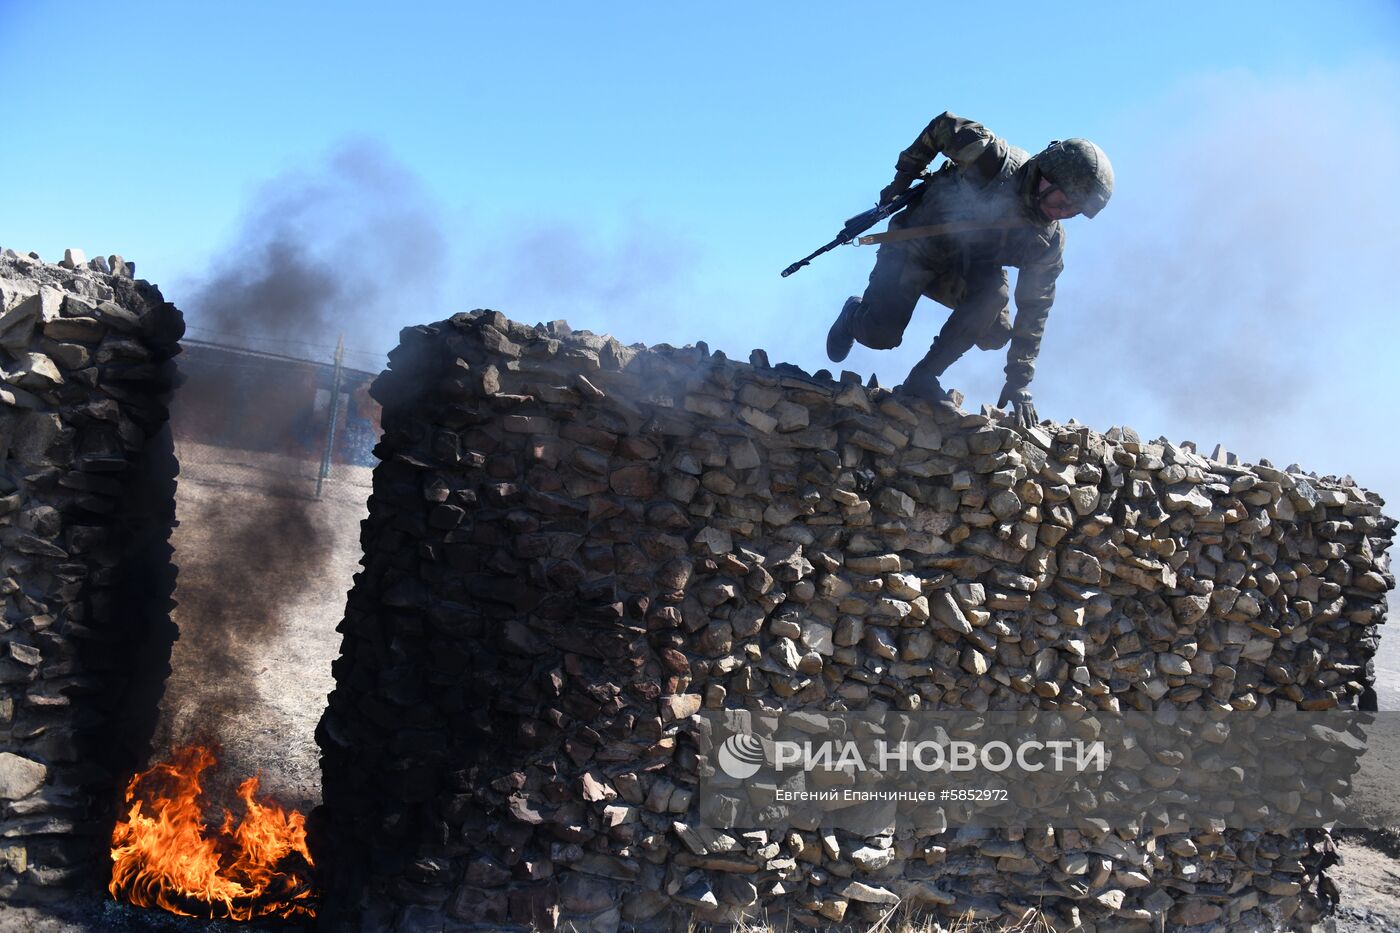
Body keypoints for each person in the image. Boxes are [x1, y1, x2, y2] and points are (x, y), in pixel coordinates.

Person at [825, 112, 1113, 428]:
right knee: (880, 335)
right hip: (914, 248)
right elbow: (942, 127)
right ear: (1047, 174)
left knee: (995, 328)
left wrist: (1020, 379)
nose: (1063, 211)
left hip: (964, 267)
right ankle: (853, 315)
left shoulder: (1047, 240)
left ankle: (924, 377)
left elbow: (1035, 307)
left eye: (1075, 210)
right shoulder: (992, 161)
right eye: (1063, 199)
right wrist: (902, 179)